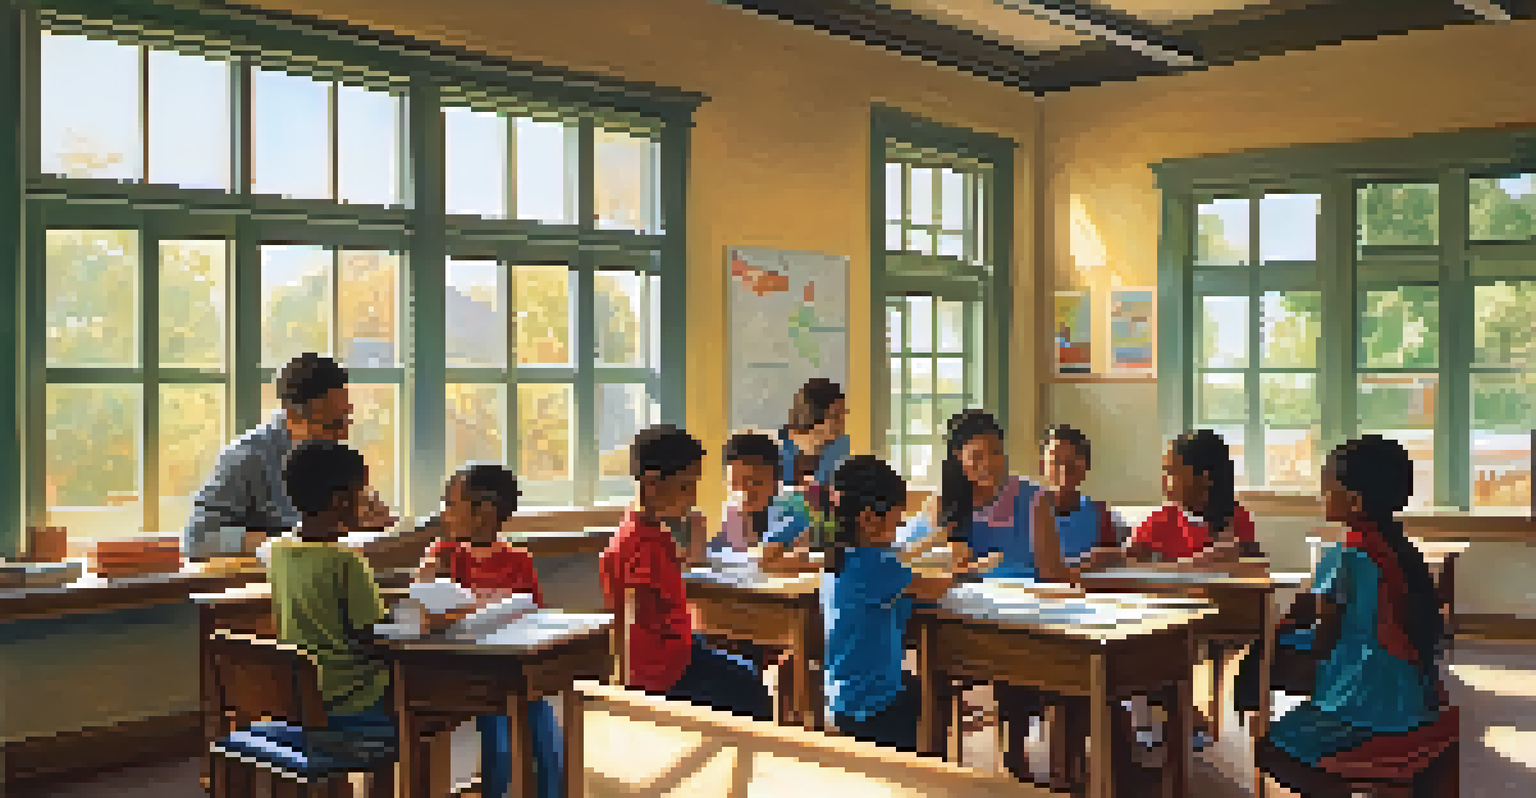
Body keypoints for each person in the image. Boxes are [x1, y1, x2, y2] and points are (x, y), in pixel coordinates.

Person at [1256, 436, 1447, 798]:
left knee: (1273, 751)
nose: (1322, 498)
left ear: (1355, 500)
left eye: (1328, 490)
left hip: (1362, 703)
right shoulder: (1401, 551)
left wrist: (1282, 635)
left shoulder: (1344, 555)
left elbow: (1323, 638)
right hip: (1411, 698)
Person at [185, 352, 437, 567]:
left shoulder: (330, 453)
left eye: (347, 418)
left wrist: (372, 524)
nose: (344, 434)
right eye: (333, 424)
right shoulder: (246, 458)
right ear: (293, 416)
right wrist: (296, 541)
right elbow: (197, 539)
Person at [600, 425, 773, 720]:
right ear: (652, 485)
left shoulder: (655, 534)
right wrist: (630, 692)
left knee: (745, 672)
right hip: (661, 672)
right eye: (685, 486)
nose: (692, 495)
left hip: (678, 654)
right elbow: (634, 621)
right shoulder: (637, 543)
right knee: (749, 687)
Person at [412, 464, 562, 798]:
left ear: (485, 512)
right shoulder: (445, 555)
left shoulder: (518, 559)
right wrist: (429, 571)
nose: (444, 513)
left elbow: (533, 613)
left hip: (512, 667)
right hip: (465, 671)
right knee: (499, 739)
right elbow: (422, 608)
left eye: (452, 505)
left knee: (546, 734)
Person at [821, 455, 987, 752]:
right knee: (932, 705)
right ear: (869, 519)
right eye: (896, 522)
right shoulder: (876, 565)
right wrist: (966, 572)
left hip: (845, 694)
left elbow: (901, 556)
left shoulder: (842, 556)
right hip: (872, 704)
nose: (899, 529)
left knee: (929, 694)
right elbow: (932, 587)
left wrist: (934, 538)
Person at [266, 440, 391, 721]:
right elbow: (372, 635)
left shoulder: (279, 550)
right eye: (362, 492)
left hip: (303, 696)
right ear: (340, 501)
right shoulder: (346, 562)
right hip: (358, 700)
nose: (368, 500)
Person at [778, 378, 851, 491]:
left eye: (844, 413)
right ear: (812, 415)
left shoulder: (845, 447)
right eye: (836, 414)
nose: (844, 420)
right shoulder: (780, 448)